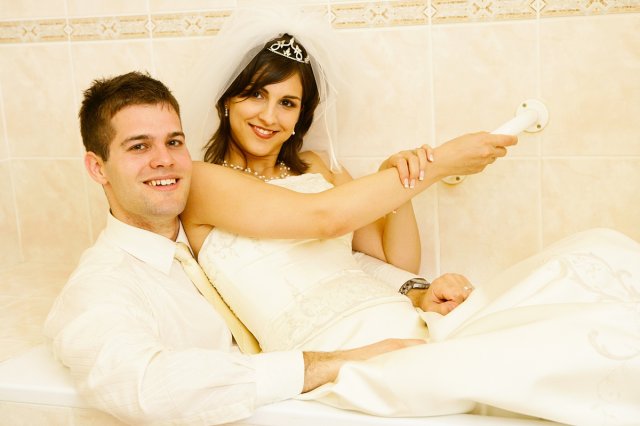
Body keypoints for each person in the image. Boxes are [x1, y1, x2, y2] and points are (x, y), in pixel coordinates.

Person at [44, 71, 514, 425]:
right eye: (138, 147)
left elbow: (334, 264)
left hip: (373, 343)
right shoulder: (102, 286)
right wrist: (337, 364)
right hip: (331, 372)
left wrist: (415, 291)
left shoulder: (187, 228)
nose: (163, 160)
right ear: (98, 168)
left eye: (174, 141)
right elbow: (147, 388)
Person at [181, 32, 505, 353]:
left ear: (301, 116)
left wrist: (400, 175)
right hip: (330, 349)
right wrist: (439, 164)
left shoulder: (319, 166)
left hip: (395, 317)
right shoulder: (202, 181)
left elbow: (397, 261)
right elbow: (324, 218)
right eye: (255, 94)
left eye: (287, 103)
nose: (269, 116)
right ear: (227, 99)